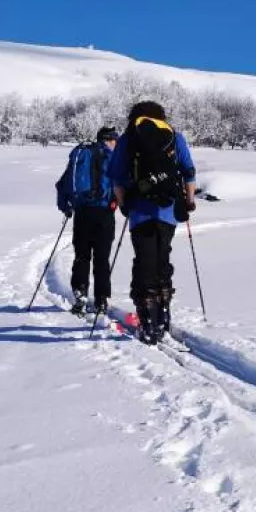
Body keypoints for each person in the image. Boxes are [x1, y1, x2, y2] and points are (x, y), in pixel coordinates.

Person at [108, 99, 197, 344]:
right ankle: (164, 311)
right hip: (168, 210)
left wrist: (125, 204)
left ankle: (147, 318)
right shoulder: (174, 136)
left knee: (144, 260)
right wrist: (188, 200)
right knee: (162, 258)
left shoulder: (129, 138)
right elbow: (189, 171)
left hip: (140, 210)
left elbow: (116, 178)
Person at [56, 126, 119, 315]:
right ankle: (101, 300)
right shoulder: (113, 158)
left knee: (82, 256)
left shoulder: (81, 155)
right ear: (108, 140)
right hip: (105, 214)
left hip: (82, 213)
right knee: (102, 258)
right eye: (114, 140)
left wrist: (65, 207)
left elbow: (62, 184)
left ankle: (80, 294)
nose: (116, 143)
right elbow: (121, 184)